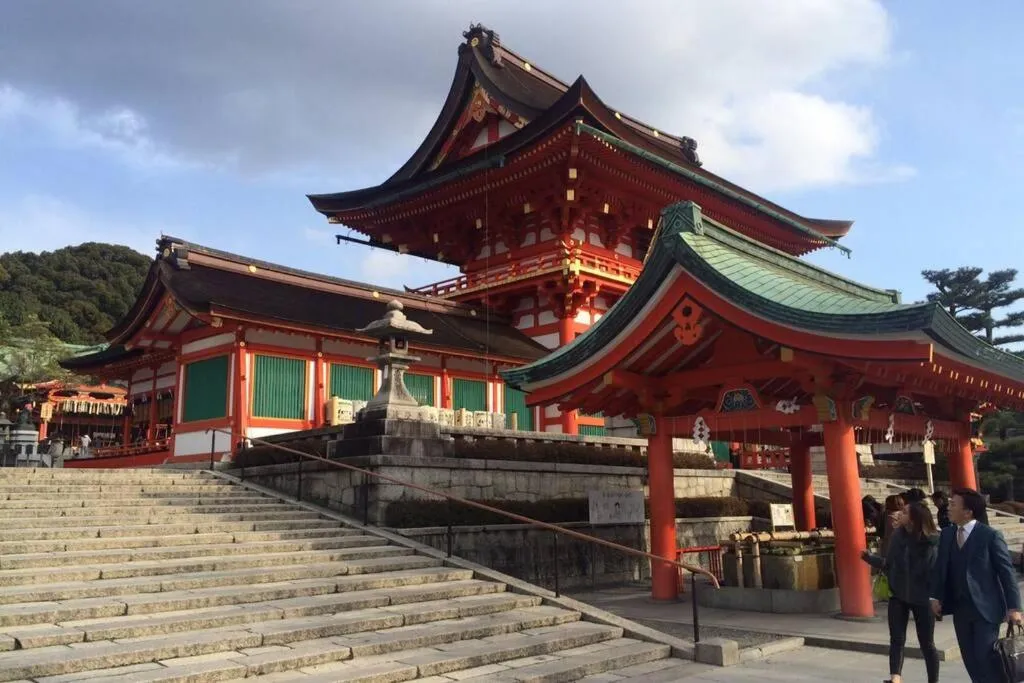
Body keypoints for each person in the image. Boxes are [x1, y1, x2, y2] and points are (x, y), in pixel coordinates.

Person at [930, 487, 1022, 682]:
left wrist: (1014, 607)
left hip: (986, 609)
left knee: (986, 659)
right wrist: (935, 597)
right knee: (970, 660)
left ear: (968, 511)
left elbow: (1006, 573)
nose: (948, 508)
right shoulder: (947, 535)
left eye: (953, 504)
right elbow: (941, 569)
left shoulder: (989, 536)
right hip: (960, 609)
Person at [861, 502, 940, 683]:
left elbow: (936, 572)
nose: (899, 514)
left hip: (923, 598)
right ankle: (895, 678)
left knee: (927, 644)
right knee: (896, 639)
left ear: (914, 518)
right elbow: (890, 564)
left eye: (904, 512)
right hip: (898, 595)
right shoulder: (898, 536)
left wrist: (936, 598)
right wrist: (869, 559)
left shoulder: (933, 541)